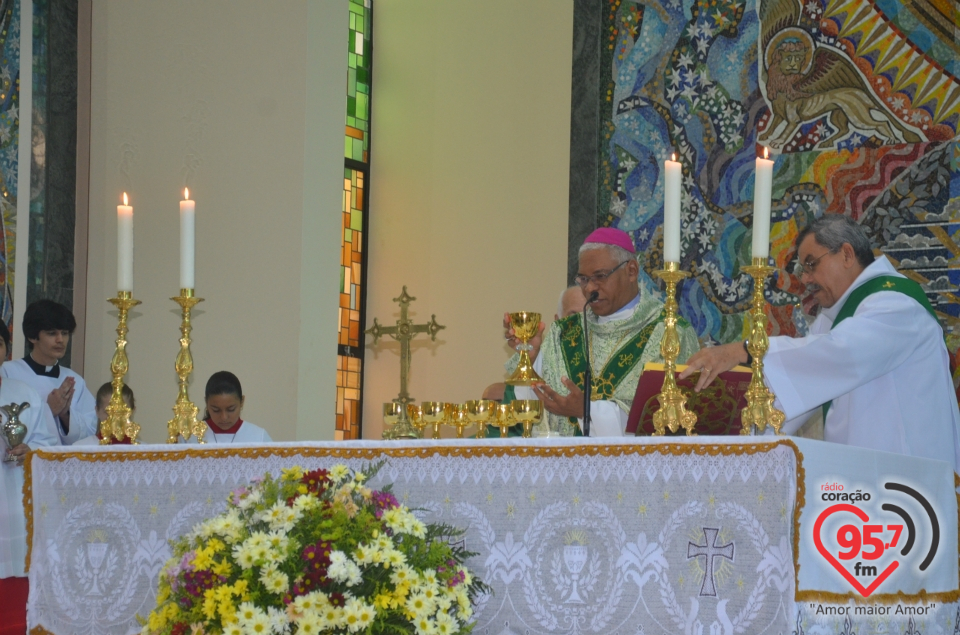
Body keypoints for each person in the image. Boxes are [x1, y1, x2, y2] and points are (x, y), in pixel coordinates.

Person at [680, 215, 960, 472]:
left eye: (811, 264)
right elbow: (796, 387)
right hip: (867, 481)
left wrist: (742, 350)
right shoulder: (836, 316)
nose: (805, 278)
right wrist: (724, 430)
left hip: (912, 482)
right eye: (803, 269)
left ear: (847, 254)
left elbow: (841, 353)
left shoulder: (897, 303)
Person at [514, 227, 699, 437]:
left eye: (600, 276)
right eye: (583, 279)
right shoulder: (563, 332)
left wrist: (587, 411)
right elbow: (530, 409)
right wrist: (529, 359)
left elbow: (672, 420)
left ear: (631, 271)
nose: (590, 288)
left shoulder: (670, 332)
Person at [0, 321, 58, 633]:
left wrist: (29, 449)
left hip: (13, 502)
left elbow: (49, 444)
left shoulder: (22, 394)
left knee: (14, 584)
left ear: (6, 350)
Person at [480, 286, 587, 437]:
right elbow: (520, 415)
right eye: (573, 315)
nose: (581, 322)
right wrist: (531, 358)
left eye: (587, 315)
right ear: (557, 320)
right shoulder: (543, 356)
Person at [0, 300, 97, 445]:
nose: (60, 340)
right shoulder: (7, 372)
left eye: (65, 333)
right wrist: (48, 410)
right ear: (32, 337)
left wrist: (66, 415)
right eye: (52, 333)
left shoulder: (75, 380)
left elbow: (90, 432)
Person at [186, 371, 272, 444]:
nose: (224, 417)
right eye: (216, 410)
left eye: (231, 409)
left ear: (242, 401)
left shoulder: (259, 438)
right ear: (206, 403)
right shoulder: (190, 437)